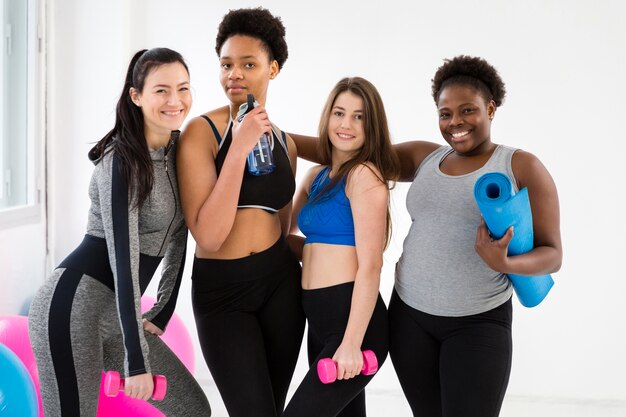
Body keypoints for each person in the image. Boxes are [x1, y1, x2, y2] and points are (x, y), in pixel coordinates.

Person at [290, 55, 562, 417]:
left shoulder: (519, 165)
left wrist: (505, 261)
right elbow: (345, 145)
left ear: (491, 108)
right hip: (411, 320)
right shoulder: (425, 157)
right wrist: (275, 135)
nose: (455, 123)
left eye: (468, 111)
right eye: (445, 113)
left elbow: (553, 254)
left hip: (477, 322)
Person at [28, 48, 212, 416]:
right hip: (73, 309)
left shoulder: (181, 153)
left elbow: (181, 234)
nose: (175, 100)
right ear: (136, 96)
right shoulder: (121, 161)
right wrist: (137, 360)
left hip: (118, 314)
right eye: (161, 90)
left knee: (193, 409)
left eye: (183, 88)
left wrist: (162, 310)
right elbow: (123, 257)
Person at [177, 8, 304, 417]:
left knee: (274, 406)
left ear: (274, 68)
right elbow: (208, 235)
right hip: (223, 292)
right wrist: (239, 146)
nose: (235, 73)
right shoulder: (203, 131)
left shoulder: (286, 142)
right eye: (226, 64)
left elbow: (283, 225)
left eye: (248, 64)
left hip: (280, 285)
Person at [282, 77, 399, 417]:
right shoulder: (316, 176)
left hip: (353, 323)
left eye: (359, 116)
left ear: (371, 126)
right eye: (339, 113)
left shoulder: (364, 176)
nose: (346, 124)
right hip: (318, 316)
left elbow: (371, 266)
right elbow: (288, 238)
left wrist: (351, 343)